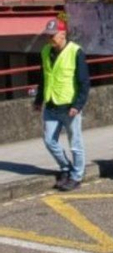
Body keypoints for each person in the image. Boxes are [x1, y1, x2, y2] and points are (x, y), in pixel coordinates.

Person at [33, 19, 88, 191]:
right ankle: (66, 168)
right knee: (49, 141)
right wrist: (39, 100)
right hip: (51, 105)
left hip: (69, 106)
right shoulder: (45, 51)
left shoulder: (76, 52)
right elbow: (43, 77)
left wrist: (77, 105)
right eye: (48, 35)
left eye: (53, 35)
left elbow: (84, 82)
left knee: (75, 145)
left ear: (63, 34)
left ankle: (76, 177)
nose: (50, 38)